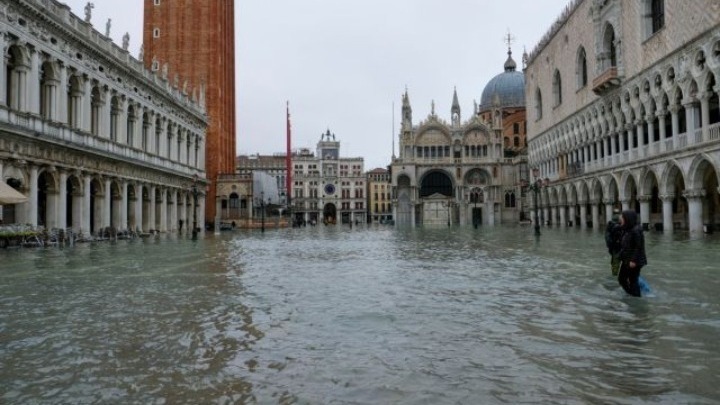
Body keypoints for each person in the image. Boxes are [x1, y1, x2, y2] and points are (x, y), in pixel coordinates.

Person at [618, 210, 648, 297]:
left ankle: (635, 296)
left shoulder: (636, 230)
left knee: (632, 280)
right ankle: (631, 293)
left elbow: (638, 247)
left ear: (628, 218)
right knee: (622, 279)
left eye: (623, 217)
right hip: (626, 259)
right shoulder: (628, 229)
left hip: (633, 261)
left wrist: (633, 260)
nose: (621, 219)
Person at [604, 209, 622, 276]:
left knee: (615, 265)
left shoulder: (610, 224)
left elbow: (607, 238)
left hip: (615, 248)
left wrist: (610, 247)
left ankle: (615, 275)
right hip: (622, 247)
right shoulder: (622, 223)